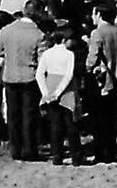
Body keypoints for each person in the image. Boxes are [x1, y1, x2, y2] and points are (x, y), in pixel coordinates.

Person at [0, 0, 45, 161]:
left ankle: (15, 149)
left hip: (10, 76)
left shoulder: (6, 30)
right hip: (29, 77)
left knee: (13, 114)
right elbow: (42, 58)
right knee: (29, 115)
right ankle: (29, 149)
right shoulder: (38, 35)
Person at [86, 1, 117, 163]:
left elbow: (92, 58)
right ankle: (112, 151)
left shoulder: (97, 33)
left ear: (99, 15)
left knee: (98, 120)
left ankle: (101, 152)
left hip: (101, 82)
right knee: (111, 119)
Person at [35, 26, 82, 165]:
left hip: (50, 87)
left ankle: (57, 155)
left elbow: (39, 75)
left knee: (55, 125)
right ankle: (76, 156)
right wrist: (59, 92)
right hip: (66, 91)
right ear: (64, 40)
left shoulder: (47, 54)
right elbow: (69, 75)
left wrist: (46, 93)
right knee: (71, 125)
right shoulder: (69, 54)